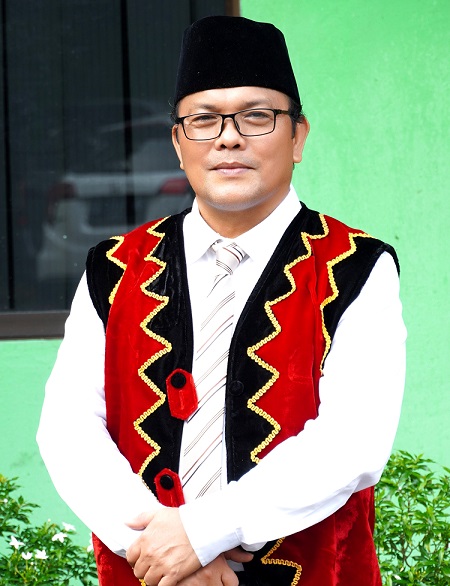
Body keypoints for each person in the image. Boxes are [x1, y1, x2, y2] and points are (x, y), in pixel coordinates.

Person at [37, 15, 406, 586]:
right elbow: (67, 429)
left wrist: (204, 532)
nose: (228, 137)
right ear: (178, 143)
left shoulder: (355, 266)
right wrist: (161, 550)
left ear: (298, 136)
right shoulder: (113, 268)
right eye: (204, 119)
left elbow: (353, 439)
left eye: (257, 116)